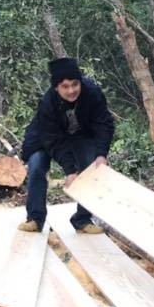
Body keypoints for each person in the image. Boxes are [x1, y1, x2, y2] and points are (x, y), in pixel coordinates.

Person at [18, 57, 115, 234]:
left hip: (80, 134)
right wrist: (70, 171)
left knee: (91, 165)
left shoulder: (92, 93)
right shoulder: (48, 103)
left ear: (80, 82)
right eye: (65, 86)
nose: (71, 91)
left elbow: (104, 125)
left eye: (74, 84)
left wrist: (101, 154)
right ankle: (35, 218)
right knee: (37, 166)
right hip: (44, 138)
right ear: (56, 87)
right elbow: (53, 140)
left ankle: (83, 220)